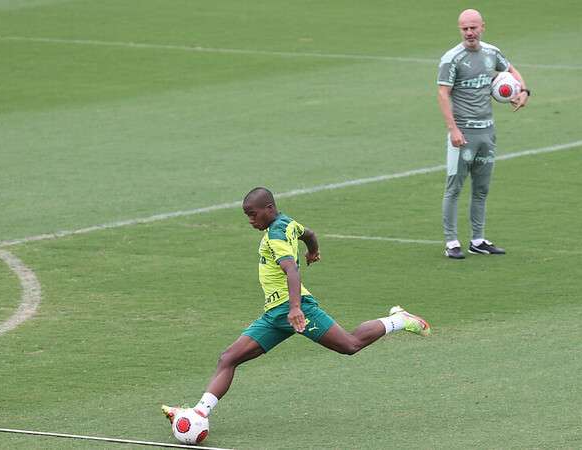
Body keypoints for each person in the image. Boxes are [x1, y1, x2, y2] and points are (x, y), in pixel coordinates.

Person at [162, 187, 430, 423]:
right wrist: (312, 250)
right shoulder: (288, 223)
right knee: (228, 358)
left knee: (350, 345)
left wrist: (295, 308)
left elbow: (291, 271)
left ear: (268, 209)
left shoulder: (276, 236)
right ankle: (198, 413)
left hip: (294, 310)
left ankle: (399, 320)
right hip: (274, 315)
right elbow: (309, 233)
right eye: (248, 215)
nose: (250, 220)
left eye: (253, 214)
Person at [437, 9, 530, 259]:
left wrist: (523, 91)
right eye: (465, 28)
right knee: (454, 188)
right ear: (460, 29)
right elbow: (443, 94)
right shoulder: (452, 59)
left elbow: (512, 70)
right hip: (463, 133)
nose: (469, 32)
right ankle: (451, 242)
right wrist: (453, 129)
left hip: (487, 132)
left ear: (482, 27)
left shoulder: (491, 53)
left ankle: (477, 240)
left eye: (473, 27)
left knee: (481, 188)